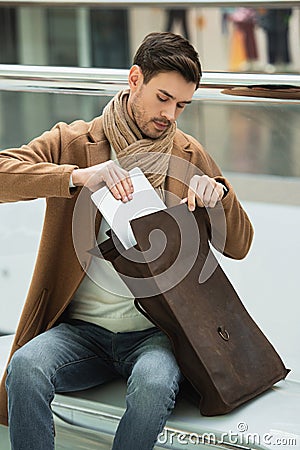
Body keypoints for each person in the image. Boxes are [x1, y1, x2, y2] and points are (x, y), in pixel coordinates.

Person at [0, 32, 253, 450]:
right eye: (163, 98)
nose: (171, 115)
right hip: (80, 331)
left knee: (154, 386)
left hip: (155, 332)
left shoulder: (187, 155)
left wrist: (219, 196)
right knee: (26, 367)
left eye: (182, 105)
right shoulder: (75, 143)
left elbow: (240, 245)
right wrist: (76, 177)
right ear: (135, 79)